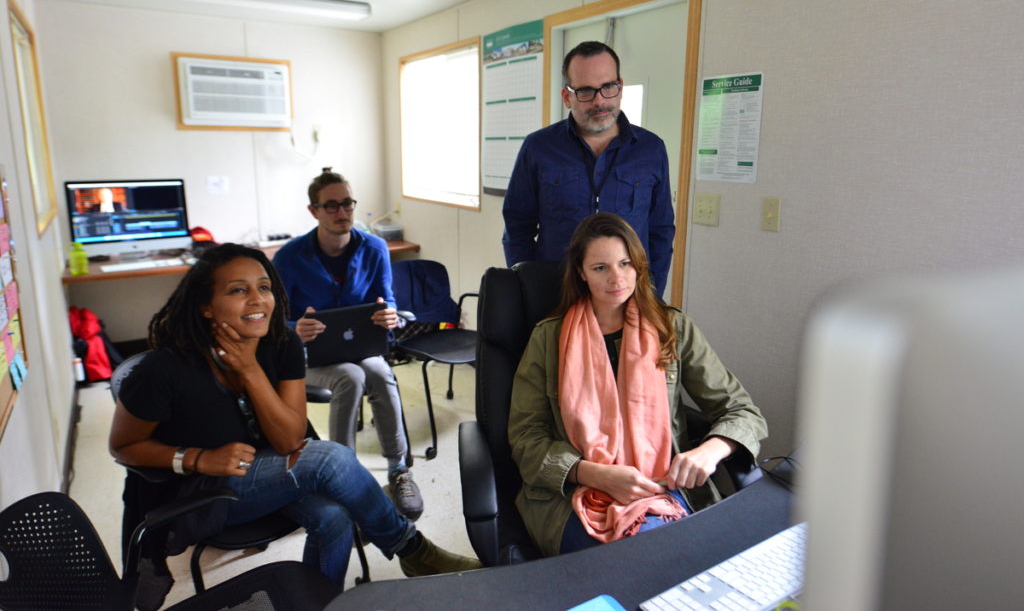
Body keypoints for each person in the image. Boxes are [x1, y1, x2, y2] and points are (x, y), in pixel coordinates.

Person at [109, 244, 479, 608]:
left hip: (269, 469)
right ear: (205, 307)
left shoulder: (280, 343)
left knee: (332, 516)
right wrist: (196, 458)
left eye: (264, 287)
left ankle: (319, 603)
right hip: (199, 493)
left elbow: (289, 440)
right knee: (330, 460)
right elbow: (123, 446)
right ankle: (411, 549)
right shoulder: (163, 370)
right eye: (238, 290)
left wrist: (250, 370)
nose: (257, 299)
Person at [508, 213, 767, 556]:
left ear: (639, 267)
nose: (617, 278)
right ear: (582, 273)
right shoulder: (548, 338)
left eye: (625, 264)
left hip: (662, 486)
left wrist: (710, 450)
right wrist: (594, 474)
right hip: (575, 495)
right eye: (600, 268)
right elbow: (525, 438)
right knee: (632, 564)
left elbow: (742, 411)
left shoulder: (672, 328)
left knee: (678, 560)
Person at [273, 168, 422, 521]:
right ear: (314, 211)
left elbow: (387, 303)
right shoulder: (289, 256)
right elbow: (273, 323)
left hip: (361, 349)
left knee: (379, 372)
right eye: (331, 206)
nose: (342, 213)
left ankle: (399, 468)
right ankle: (343, 477)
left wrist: (391, 317)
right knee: (350, 378)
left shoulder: (374, 248)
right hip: (310, 356)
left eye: (347, 204)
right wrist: (295, 328)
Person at [502, 41, 676, 295]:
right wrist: (528, 289)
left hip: (628, 298)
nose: (599, 101)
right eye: (585, 91)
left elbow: (661, 231)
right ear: (567, 97)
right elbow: (518, 227)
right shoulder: (538, 147)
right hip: (555, 296)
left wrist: (652, 296)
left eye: (608, 87)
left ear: (620, 87)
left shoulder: (650, 149)